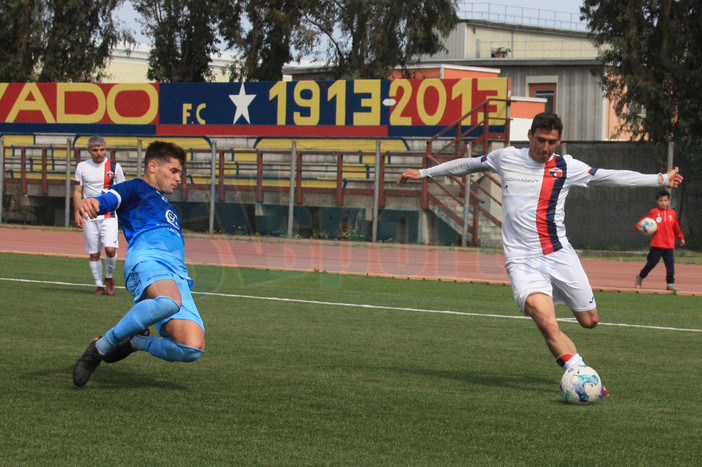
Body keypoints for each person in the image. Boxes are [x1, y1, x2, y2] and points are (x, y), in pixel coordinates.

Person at [398, 112, 683, 393]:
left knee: (590, 321)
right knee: (546, 321)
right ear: (530, 136)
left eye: (552, 142)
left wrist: (660, 179)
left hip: (559, 255)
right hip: (522, 261)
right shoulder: (506, 157)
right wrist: (423, 173)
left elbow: (610, 177)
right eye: (541, 140)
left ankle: (581, 372)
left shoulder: (566, 167)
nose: (545, 147)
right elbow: (468, 165)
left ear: (558, 141)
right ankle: (582, 375)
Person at [73, 141, 205, 388]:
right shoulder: (135, 187)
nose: (179, 178)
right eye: (174, 171)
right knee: (168, 302)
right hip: (148, 260)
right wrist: (94, 204)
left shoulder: (169, 206)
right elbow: (110, 198)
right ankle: (100, 349)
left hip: (178, 274)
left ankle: (133, 342)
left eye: (180, 173)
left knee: (191, 347)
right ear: (153, 166)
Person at [73, 136, 125, 295]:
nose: (99, 153)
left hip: (109, 214)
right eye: (95, 150)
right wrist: (77, 212)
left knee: (110, 249)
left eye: (102, 149)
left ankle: (109, 277)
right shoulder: (82, 167)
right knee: (94, 252)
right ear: (89, 151)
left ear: (106, 149)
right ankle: (99, 286)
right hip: (89, 215)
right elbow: (77, 191)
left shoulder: (114, 167)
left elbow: (122, 191)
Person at [634, 190, 685, 293]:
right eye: (661, 200)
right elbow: (643, 221)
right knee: (651, 263)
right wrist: (638, 226)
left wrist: (680, 237)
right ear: (657, 201)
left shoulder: (672, 213)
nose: (663, 202)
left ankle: (670, 283)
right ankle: (640, 276)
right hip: (657, 244)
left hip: (669, 245)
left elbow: (676, 227)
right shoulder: (654, 212)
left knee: (670, 265)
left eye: (665, 200)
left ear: (669, 201)